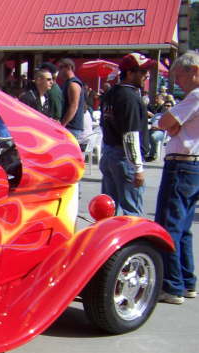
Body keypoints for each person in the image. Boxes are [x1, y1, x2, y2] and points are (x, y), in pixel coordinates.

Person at [154, 51, 199, 305]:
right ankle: (186, 280)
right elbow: (170, 124)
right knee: (183, 228)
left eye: (179, 76)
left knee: (169, 225)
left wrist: (169, 122)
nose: (177, 82)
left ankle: (172, 285)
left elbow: (164, 123)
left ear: (194, 71)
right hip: (192, 166)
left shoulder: (194, 97)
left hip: (182, 165)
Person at [99, 53, 155, 217]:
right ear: (130, 73)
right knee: (132, 212)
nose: (146, 75)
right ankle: (133, 243)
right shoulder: (129, 97)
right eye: (143, 72)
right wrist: (138, 167)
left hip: (110, 153)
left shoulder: (111, 93)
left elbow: (105, 124)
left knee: (108, 210)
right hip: (124, 158)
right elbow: (130, 135)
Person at [58, 58, 87, 146]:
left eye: (60, 68)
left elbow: (73, 106)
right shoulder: (67, 83)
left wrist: (63, 124)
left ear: (68, 67)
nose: (59, 71)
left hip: (72, 128)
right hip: (70, 128)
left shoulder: (73, 84)